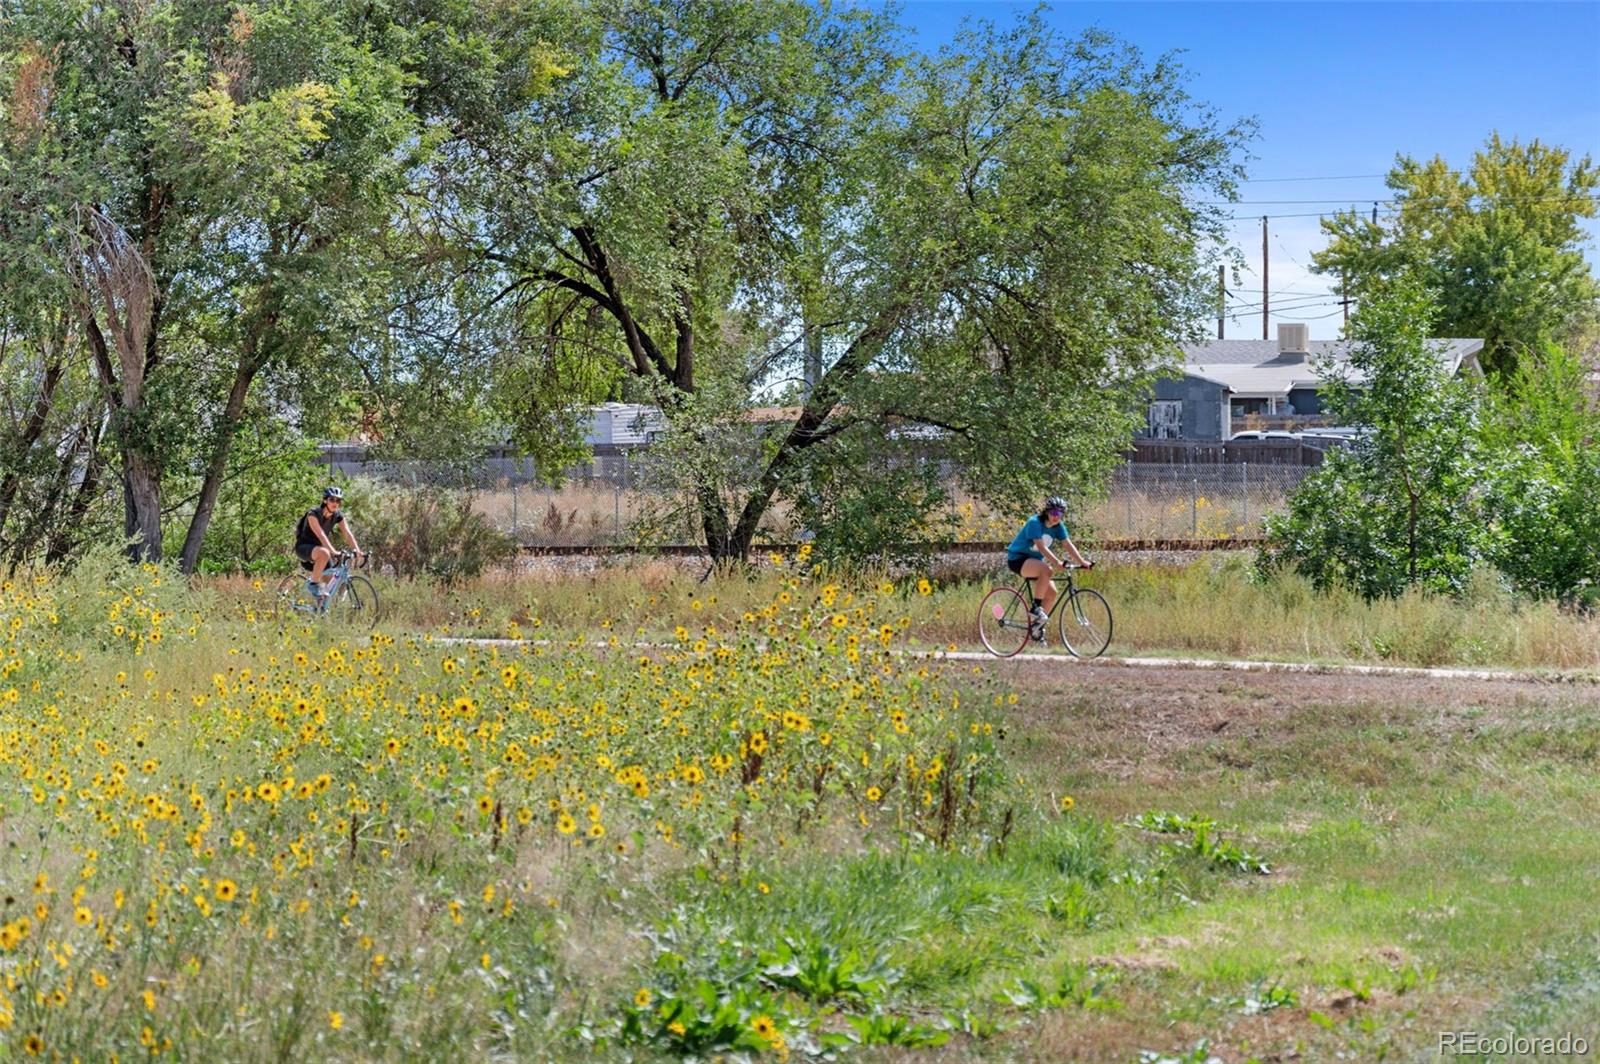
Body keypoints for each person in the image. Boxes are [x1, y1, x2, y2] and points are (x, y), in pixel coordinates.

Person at [1005, 495, 1092, 638]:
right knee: (1047, 570)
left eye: (1060, 513)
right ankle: (1035, 608)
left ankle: (1036, 629)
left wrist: (1082, 562)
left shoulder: (1058, 527)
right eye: (1053, 512)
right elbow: (1041, 547)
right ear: (1047, 511)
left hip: (1034, 563)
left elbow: (1067, 544)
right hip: (1018, 560)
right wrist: (1057, 562)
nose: (1056, 516)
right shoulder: (1034, 523)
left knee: (1052, 593)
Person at [294, 486, 365, 601]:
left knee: (330, 584)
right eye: (332, 499)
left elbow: (347, 533)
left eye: (338, 501)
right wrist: (333, 552)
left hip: (321, 551)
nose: (335, 503)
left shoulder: (338, 516)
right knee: (325, 552)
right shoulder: (313, 514)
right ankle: (314, 584)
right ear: (325, 500)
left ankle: (320, 610)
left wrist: (357, 550)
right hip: (304, 547)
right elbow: (321, 535)